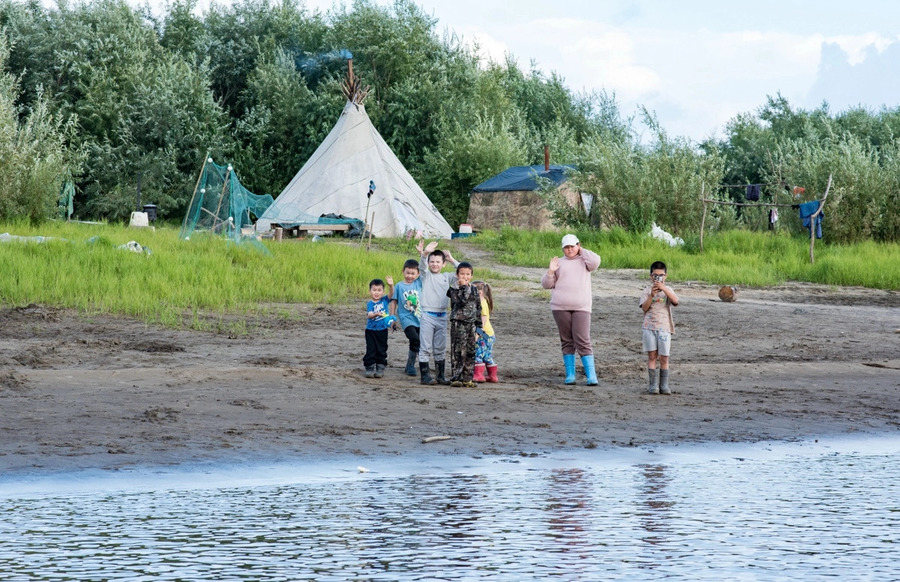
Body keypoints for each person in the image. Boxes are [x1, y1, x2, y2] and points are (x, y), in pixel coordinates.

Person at [541, 233, 601, 385]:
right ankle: (570, 374)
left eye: (572, 246)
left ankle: (591, 375)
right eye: (566, 247)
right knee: (567, 340)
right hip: (560, 307)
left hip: (582, 307)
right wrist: (550, 271)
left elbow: (595, 261)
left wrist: (582, 251)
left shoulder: (585, 261)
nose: (569, 250)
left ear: (578, 245)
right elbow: (547, 284)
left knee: (582, 339)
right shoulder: (558, 263)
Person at [415, 239, 459, 385]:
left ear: (443, 263)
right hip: (427, 315)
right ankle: (425, 376)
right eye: (431, 261)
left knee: (440, 347)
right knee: (425, 347)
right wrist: (425, 254)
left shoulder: (447, 277)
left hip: (442, 316)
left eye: (438, 262)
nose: (434, 264)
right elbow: (422, 267)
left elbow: (462, 273)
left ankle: (440, 376)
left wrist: (452, 260)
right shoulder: (425, 276)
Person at [639, 261, 679, 394]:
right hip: (649, 327)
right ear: (651, 276)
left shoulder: (668, 290)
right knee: (652, 356)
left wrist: (664, 289)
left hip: (664, 327)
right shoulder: (646, 291)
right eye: (655, 275)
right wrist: (652, 295)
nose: (658, 278)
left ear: (665, 276)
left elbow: (675, 301)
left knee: (664, 357)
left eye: (661, 275)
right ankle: (653, 385)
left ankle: (664, 385)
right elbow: (644, 308)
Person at [447, 262, 481, 387]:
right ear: (457, 275)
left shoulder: (474, 289)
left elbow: (478, 308)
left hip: (471, 324)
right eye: (462, 274)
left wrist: (479, 328)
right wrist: (463, 287)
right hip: (458, 323)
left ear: (471, 276)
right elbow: (461, 301)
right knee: (458, 350)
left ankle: (467, 378)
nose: (465, 277)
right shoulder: (454, 289)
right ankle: (456, 377)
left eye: (467, 274)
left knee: (471, 351)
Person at [390, 259, 423, 376]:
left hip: (420, 318)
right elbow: (394, 301)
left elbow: (424, 269)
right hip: (406, 318)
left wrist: (423, 254)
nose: (410, 276)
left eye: (413, 273)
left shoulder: (418, 283)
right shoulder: (399, 286)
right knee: (414, 339)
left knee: (418, 342)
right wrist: (392, 317)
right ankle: (410, 366)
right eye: (408, 273)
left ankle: (411, 365)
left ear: (418, 274)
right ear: (403, 271)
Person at [363, 277, 396, 378]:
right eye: (374, 290)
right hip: (370, 330)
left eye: (379, 290)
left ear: (382, 291)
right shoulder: (370, 303)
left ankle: (380, 367)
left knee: (382, 348)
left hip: (382, 330)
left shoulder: (385, 300)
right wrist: (376, 314)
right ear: (370, 291)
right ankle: (369, 367)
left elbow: (391, 294)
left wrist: (391, 285)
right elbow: (369, 315)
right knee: (371, 349)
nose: (376, 293)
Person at [472, 280, 497, 383]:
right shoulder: (484, 301)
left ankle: (478, 375)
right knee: (487, 355)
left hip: (483, 333)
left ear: (479, 292)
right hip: (490, 334)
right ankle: (493, 376)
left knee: (478, 353)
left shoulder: (481, 303)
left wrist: (477, 333)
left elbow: (483, 319)